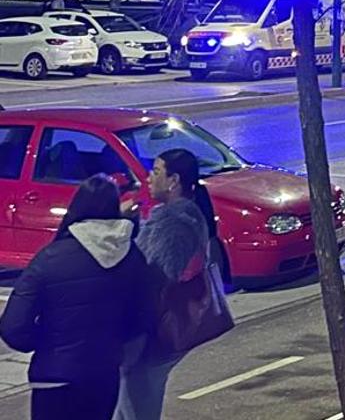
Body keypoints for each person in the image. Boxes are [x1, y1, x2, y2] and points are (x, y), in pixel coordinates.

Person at [1, 175, 151, 420]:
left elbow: (13, 327)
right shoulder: (132, 257)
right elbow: (143, 316)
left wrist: (46, 340)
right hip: (104, 375)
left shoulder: (50, 257)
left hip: (54, 377)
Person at [116, 149, 220, 420]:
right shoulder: (176, 216)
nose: (149, 178)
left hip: (152, 332)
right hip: (153, 331)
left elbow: (154, 277)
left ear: (174, 181)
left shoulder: (176, 222)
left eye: (157, 172)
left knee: (136, 407)